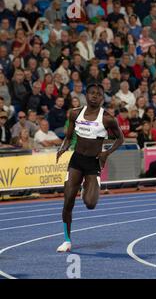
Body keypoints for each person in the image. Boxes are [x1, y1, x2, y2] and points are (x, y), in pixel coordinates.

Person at [55, 83, 124, 252]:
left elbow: (120, 139)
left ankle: (88, 187)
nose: (94, 96)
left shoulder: (107, 118)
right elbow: (69, 136)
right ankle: (67, 240)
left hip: (93, 163)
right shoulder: (74, 113)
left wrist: (106, 153)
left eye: (98, 94)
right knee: (67, 201)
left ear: (102, 98)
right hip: (76, 161)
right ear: (86, 95)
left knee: (90, 204)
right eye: (92, 93)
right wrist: (64, 148)